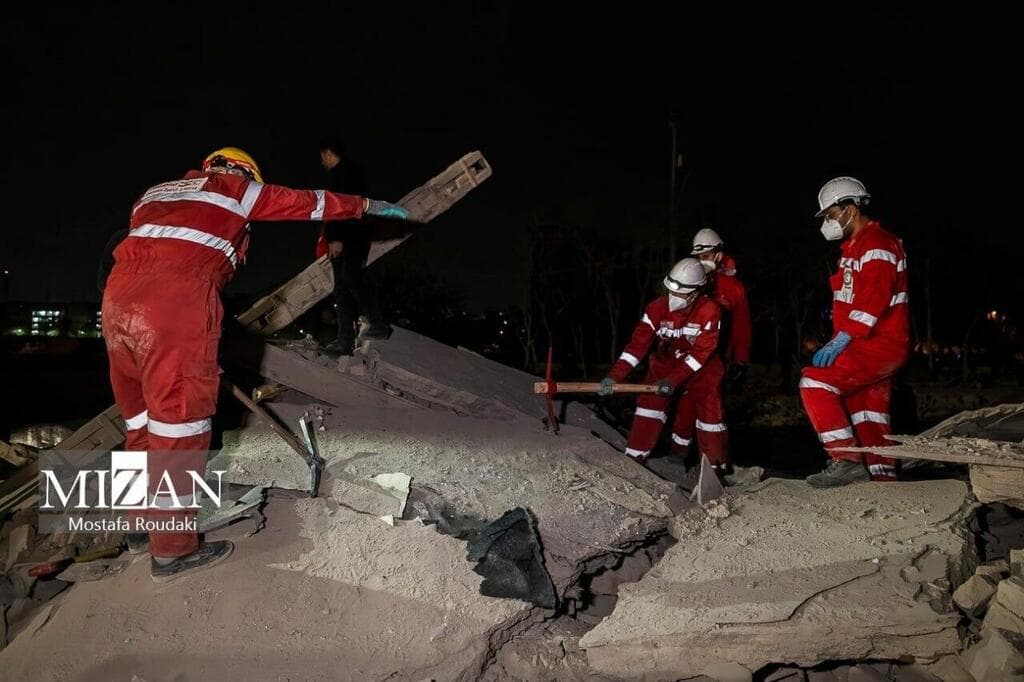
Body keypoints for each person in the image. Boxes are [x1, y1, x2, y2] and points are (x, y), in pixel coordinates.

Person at [102, 146, 409, 581]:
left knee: (140, 424)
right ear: (242, 171)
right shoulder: (233, 187)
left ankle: (138, 528)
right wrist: (365, 206)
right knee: (181, 427)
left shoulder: (156, 193)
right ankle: (172, 550)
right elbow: (308, 203)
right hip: (174, 306)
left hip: (117, 308)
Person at [800, 176, 909, 487]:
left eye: (832, 214)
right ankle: (882, 481)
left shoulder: (878, 245)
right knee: (867, 415)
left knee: (814, 383)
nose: (829, 222)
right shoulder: (852, 249)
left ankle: (845, 460)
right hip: (864, 344)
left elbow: (873, 300)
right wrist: (841, 339)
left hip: (877, 344)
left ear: (849, 208)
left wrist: (843, 338)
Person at [600, 258, 725, 469]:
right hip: (664, 365)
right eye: (671, 291)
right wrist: (614, 376)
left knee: (709, 414)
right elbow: (635, 349)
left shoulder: (709, 312)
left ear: (696, 291)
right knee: (648, 405)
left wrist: (673, 380)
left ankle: (714, 467)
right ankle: (633, 460)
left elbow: (700, 355)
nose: (674, 298)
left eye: (681, 293)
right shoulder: (655, 309)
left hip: (702, 370)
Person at [670, 228, 752, 466]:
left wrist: (740, 360)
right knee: (684, 404)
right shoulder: (689, 280)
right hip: (686, 355)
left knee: (710, 408)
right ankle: (677, 456)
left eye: (705, 255)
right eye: (698, 257)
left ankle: (714, 464)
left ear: (718, 255)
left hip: (716, 359)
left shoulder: (733, 289)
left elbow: (741, 327)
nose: (701, 261)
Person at [316, 136, 390, 354]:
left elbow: (344, 208)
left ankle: (376, 324)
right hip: (352, 238)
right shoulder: (348, 173)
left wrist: (336, 238)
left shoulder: (345, 174)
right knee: (341, 289)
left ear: (329, 153)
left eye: (322, 157)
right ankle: (344, 341)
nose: (322, 162)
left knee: (350, 280)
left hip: (348, 238)